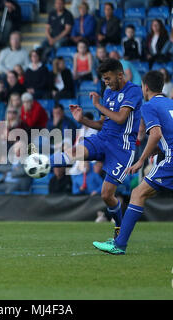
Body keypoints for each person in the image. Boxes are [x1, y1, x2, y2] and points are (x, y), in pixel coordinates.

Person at [93, 70, 173, 255]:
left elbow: (156, 134)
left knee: (137, 193)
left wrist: (141, 160)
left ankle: (119, 245)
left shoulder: (149, 106)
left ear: (145, 87)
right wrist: (162, 149)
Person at [29, 58, 143, 240]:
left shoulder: (134, 91)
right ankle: (42, 163)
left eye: (108, 78)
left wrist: (97, 105)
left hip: (122, 147)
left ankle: (119, 228)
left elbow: (121, 118)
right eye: (104, 79)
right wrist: (82, 120)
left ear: (120, 75)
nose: (106, 82)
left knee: (106, 195)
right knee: (74, 151)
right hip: (103, 138)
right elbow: (102, 123)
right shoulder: (108, 92)